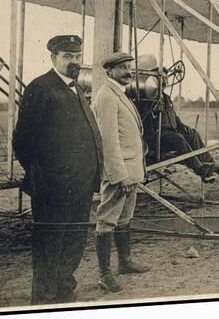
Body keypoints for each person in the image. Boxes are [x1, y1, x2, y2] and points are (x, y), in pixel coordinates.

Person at [12, 35, 103, 304]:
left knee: (73, 244)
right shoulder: (41, 88)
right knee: (49, 245)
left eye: (77, 56)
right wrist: (46, 173)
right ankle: (44, 301)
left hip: (81, 186)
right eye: (67, 56)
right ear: (53, 58)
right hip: (54, 188)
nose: (74, 61)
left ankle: (64, 291)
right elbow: (22, 140)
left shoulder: (76, 89)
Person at [92, 52, 151, 293]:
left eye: (130, 67)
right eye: (123, 68)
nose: (129, 71)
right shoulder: (106, 96)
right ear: (110, 71)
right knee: (107, 219)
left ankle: (124, 263)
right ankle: (104, 274)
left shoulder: (119, 94)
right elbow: (108, 141)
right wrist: (120, 175)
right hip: (120, 173)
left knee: (124, 218)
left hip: (131, 170)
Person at [135, 54, 219, 183]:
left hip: (169, 134)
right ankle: (200, 169)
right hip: (155, 137)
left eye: (166, 78)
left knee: (193, 134)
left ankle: (210, 164)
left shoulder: (165, 97)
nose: (165, 81)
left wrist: (183, 126)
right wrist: (153, 108)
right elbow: (142, 119)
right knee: (178, 138)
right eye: (162, 79)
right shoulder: (145, 98)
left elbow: (174, 118)